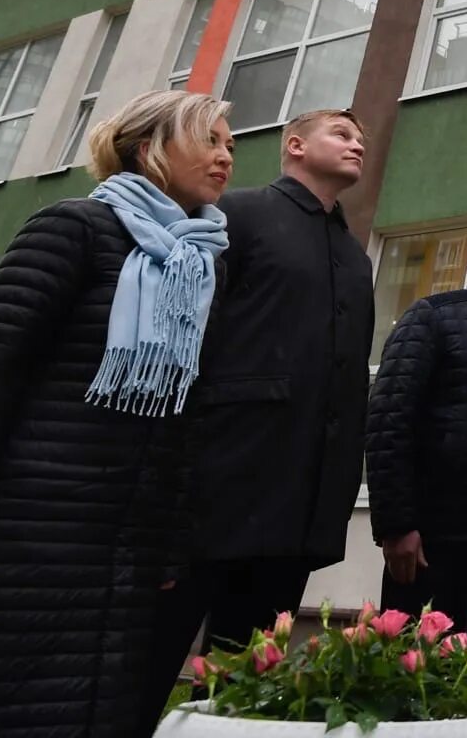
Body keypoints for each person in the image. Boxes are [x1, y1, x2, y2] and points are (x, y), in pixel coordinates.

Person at [0, 90, 234, 737]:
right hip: (15, 543)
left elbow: (181, 419)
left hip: (118, 559)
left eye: (230, 143)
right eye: (210, 139)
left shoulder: (202, 267)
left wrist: (167, 548)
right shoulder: (72, 230)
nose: (226, 155)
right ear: (150, 149)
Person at [147, 109, 376, 709]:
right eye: (342, 135)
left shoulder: (353, 255)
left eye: (361, 141)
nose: (357, 146)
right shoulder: (236, 215)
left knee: (239, 689)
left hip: (296, 506)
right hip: (217, 485)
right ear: (295, 146)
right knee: (140, 668)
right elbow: (185, 337)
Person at [366, 211, 467, 622]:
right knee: (421, 671)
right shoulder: (433, 316)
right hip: (436, 537)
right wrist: (396, 525)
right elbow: (390, 420)